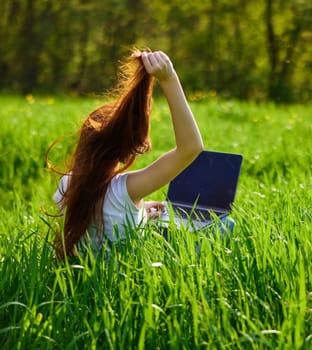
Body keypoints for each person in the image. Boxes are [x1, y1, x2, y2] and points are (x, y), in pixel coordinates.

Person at [48, 50, 204, 260]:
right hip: (125, 283)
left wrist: (138, 212)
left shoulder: (66, 184)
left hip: (78, 279)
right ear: (125, 150)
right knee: (221, 226)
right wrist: (169, 79)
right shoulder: (125, 190)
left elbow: (105, 215)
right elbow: (190, 148)